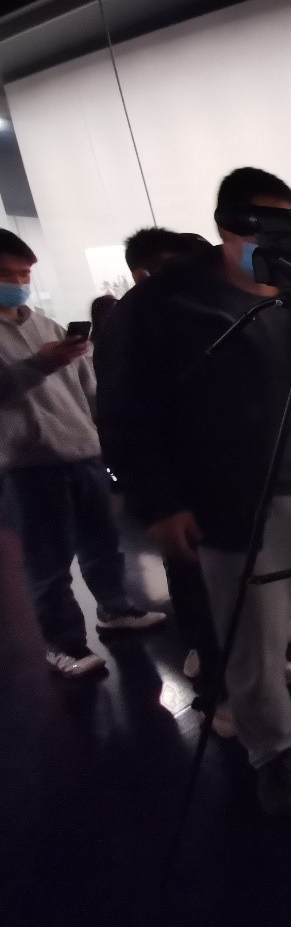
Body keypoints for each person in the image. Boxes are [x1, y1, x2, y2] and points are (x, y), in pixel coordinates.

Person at [96, 168, 291, 814]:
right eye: (257, 224)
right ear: (224, 225)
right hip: (234, 495)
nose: (272, 236)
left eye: (284, 223)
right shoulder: (167, 303)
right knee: (253, 639)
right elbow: (128, 411)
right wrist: (160, 502)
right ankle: (270, 750)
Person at [0, 229, 165, 679]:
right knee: (47, 560)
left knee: (102, 542)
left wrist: (102, 422)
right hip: (25, 464)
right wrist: (41, 363)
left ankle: (116, 609)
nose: (19, 283)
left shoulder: (45, 325)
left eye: (24, 274)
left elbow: (86, 386)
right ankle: (62, 643)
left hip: (82, 452)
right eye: (9, 274)